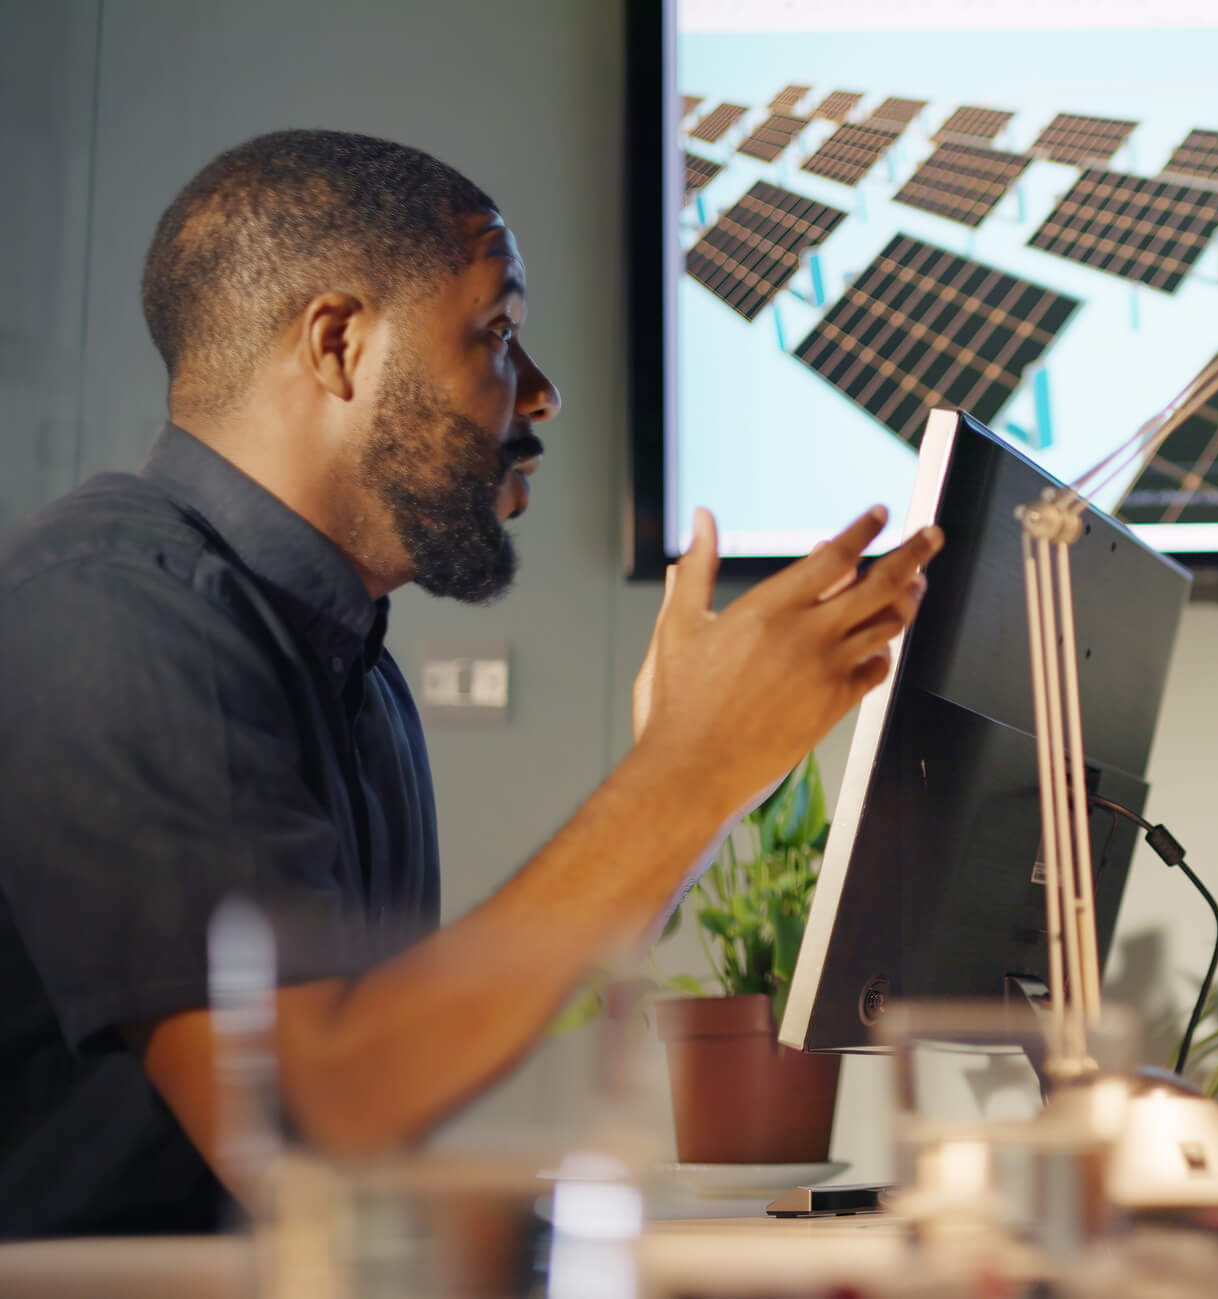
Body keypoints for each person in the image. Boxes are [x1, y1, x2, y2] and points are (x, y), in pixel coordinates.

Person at [0, 129, 942, 1238]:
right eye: (498, 331)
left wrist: (691, 777)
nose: (538, 395)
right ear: (341, 345)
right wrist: (685, 775)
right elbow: (308, 1125)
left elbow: (399, 1075)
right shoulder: (114, 606)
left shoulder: (359, 676)